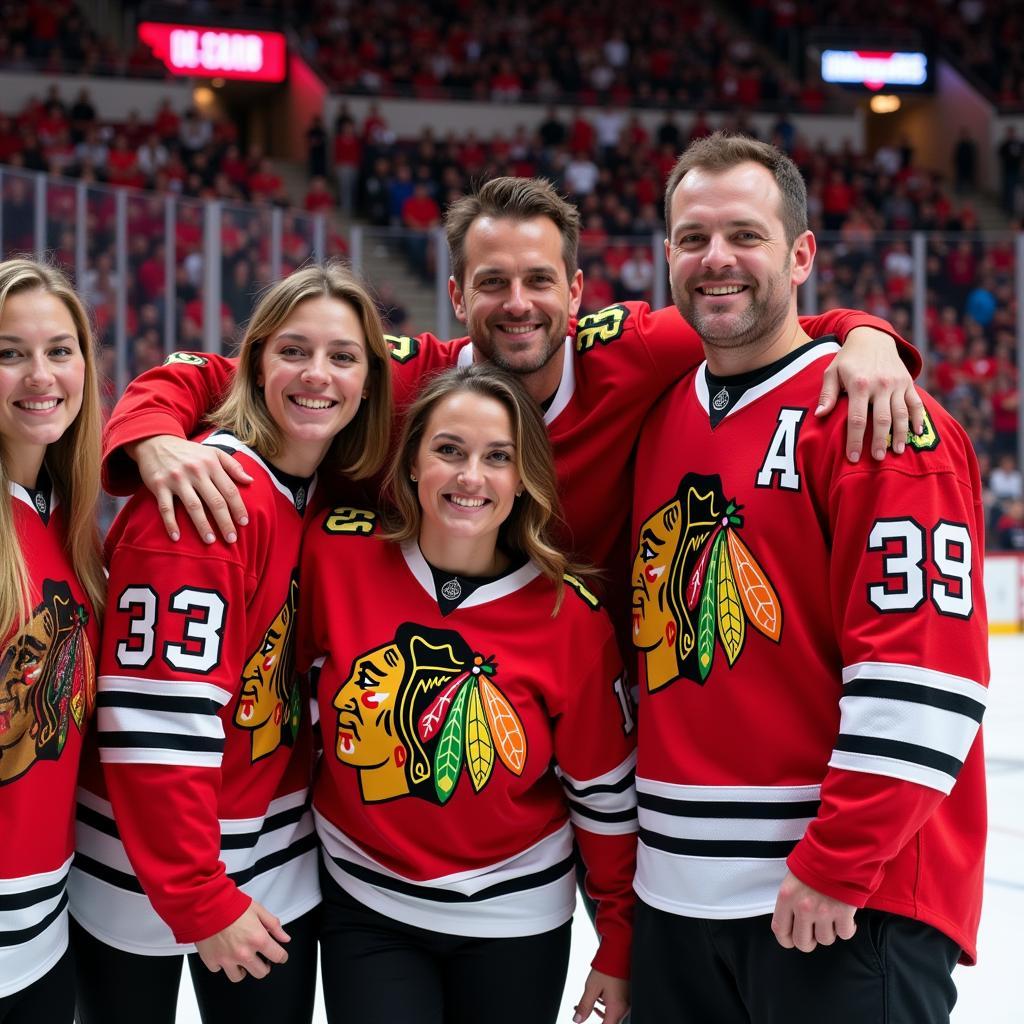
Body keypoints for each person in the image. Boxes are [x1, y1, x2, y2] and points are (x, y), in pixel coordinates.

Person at [98, 177, 924, 633]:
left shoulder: (632, 348)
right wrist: (150, 437)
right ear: (456, 295)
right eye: (493, 283)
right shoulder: (407, 375)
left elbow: (763, 313)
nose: (518, 304)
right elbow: (228, 368)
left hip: (597, 683)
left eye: (538, 282)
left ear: (576, 290)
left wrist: (869, 338)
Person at [629, 132, 988, 1023]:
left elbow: (926, 676)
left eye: (745, 236)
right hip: (677, 903)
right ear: (666, 255)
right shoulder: (661, 408)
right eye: (692, 238)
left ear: (800, 255)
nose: (717, 260)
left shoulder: (881, 421)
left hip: (841, 905)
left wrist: (838, 862)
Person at [68, 264, 393, 1024]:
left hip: (274, 854)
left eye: (343, 357)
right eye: (293, 351)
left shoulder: (317, 488)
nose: (318, 375)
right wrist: (197, 893)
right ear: (253, 364)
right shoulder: (205, 503)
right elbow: (155, 728)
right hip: (154, 868)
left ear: (372, 381)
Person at [300, 364, 636, 1024]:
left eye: (498, 458)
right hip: (366, 905)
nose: (470, 477)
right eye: (449, 450)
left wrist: (619, 943)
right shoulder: (334, 558)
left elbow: (604, 800)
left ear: (523, 479)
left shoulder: (571, 617)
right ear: (412, 462)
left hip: (516, 919)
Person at [0, 258, 104, 1022]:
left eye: (59, 350)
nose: (41, 375)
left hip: (43, 933)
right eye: (8, 353)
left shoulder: (62, 524)